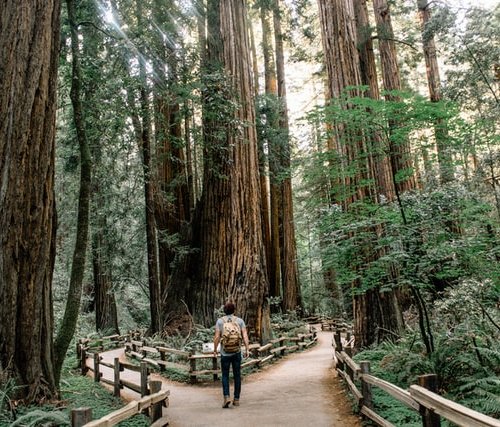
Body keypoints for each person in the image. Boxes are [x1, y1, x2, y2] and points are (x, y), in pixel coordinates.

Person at [213, 301, 250, 408]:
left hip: (225, 353)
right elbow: (245, 336)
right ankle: (237, 399)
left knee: (225, 375)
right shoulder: (239, 321)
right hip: (237, 352)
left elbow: (216, 337)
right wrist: (247, 349)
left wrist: (215, 350)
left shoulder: (220, 321)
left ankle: (226, 397)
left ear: (224, 311)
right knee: (237, 375)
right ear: (234, 310)